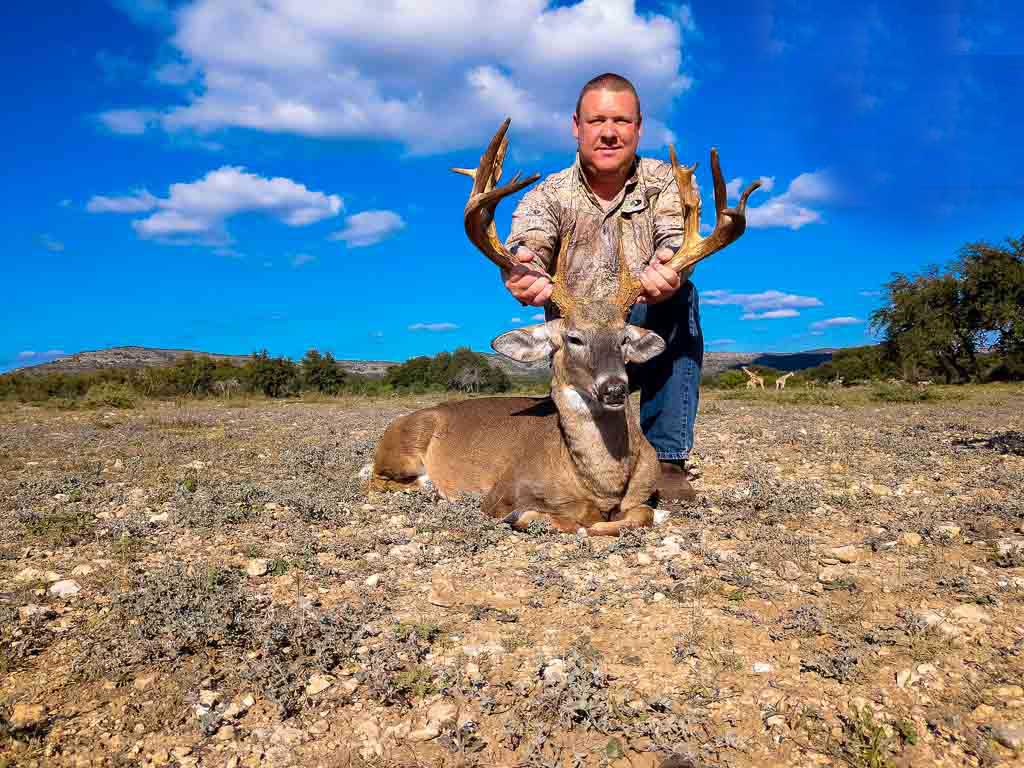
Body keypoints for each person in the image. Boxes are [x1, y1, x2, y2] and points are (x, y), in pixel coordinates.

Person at [503, 72, 702, 503]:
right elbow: (528, 246)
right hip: (578, 352)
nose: (609, 133)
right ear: (576, 126)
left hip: (640, 338)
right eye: (596, 121)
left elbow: (677, 239)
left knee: (682, 296)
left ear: (638, 127)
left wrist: (671, 268)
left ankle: (667, 458)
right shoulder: (547, 197)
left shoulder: (666, 183)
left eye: (621, 121)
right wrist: (524, 271)